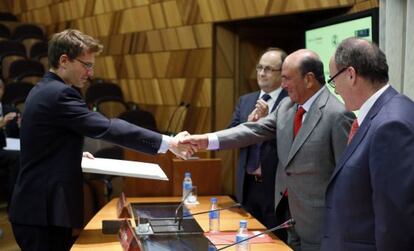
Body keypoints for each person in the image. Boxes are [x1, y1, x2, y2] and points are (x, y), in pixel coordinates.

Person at [8, 29, 191, 251]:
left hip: (37, 209)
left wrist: (71, 154)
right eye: (86, 65)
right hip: (42, 213)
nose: (90, 73)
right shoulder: (58, 94)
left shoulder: (46, 89)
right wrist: (168, 142)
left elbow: (44, 143)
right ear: (64, 60)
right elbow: (107, 127)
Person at [181, 49, 355, 251]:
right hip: (288, 215)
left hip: (319, 224)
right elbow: (252, 130)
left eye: (287, 78)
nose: (283, 85)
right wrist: (205, 140)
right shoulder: (287, 107)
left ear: (308, 79)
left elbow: (346, 179)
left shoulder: (338, 115)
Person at [321, 38, 414, 250]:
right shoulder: (384, 112)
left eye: (333, 80)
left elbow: (395, 224)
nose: (335, 89)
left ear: (351, 75)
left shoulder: (391, 125)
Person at [228, 48, 288, 233]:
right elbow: (231, 136)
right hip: (248, 185)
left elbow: (293, 141)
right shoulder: (245, 101)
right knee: (248, 238)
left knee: (274, 240)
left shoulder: (291, 101)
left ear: (282, 73)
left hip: (275, 187)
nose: (262, 73)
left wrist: (268, 121)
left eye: (269, 69)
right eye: (260, 68)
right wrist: (250, 124)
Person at [0, 78, 20, 204]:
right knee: (17, 158)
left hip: (12, 146)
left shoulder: (12, 110)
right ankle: (14, 203)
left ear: (2, 90)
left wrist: (21, 126)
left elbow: (19, 135)